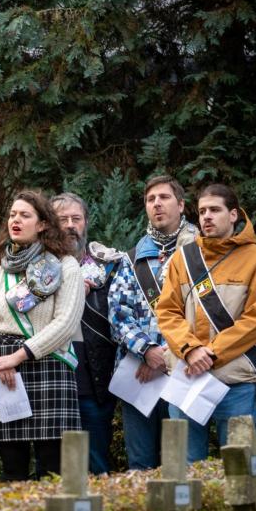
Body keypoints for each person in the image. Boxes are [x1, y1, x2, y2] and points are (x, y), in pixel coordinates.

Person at [0, 190, 85, 480]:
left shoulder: (65, 264)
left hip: (48, 364)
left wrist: (18, 357)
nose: (15, 220)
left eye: (24, 215)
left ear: (43, 224)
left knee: (52, 469)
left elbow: (66, 322)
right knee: (12, 467)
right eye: (12, 215)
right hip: (1, 366)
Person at [156, 183, 256, 461]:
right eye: (202, 211)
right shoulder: (183, 258)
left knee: (241, 468)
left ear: (233, 214)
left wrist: (210, 353)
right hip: (187, 375)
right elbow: (167, 311)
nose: (207, 217)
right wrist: (190, 350)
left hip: (236, 380)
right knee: (184, 469)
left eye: (214, 210)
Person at [106, 175, 200, 469]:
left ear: (181, 205)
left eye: (164, 197)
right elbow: (118, 314)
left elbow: (205, 314)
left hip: (185, 369)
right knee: (140, 466)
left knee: (184, 465)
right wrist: (147, 350)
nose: (157, 204)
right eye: (151, 199)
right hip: (139, 374)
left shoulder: (202, 252)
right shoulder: (132, 259)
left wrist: (166, 356)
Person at [52, 192, 121, 475]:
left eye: (76, 219)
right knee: (53, 469)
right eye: (62, 219)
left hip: (94, 378)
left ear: (86, 223)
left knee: (96, 466)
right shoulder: (36, 268)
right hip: (51, 379)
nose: (70, 225)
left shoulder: (109, 268)